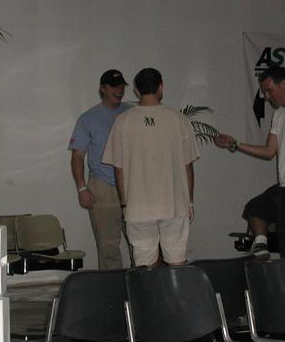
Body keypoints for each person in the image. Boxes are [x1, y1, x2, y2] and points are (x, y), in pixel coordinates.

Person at [215, 65, 285, 259]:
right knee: (255, 208)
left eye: (268, 90)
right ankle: (260, 245)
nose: (266, 96)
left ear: (283, 85)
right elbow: (269, 152)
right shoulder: (280, 114)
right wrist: (235, 143)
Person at [103, 68, 199, 267]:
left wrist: (124, 205)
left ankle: (147, 290)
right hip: (174, 205)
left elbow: (119, 169)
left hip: (138, 207)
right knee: (177, 264)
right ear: (161, 86)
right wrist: (189, 202)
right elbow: (187, 165)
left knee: (145, 268)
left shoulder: (122, 122)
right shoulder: (179, 119)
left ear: (136, 90)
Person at [68, 69, 130, 270]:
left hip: (133, 185)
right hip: (103, 186)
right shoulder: (88, 119)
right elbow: (78, 156)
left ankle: (140, 285)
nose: (119, 90)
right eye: (114, 87)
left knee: (141, 242)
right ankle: (113, 287)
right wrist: (82, 188)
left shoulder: (133, 113)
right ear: (103, 89)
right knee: (108, 247)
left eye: (122, 86)